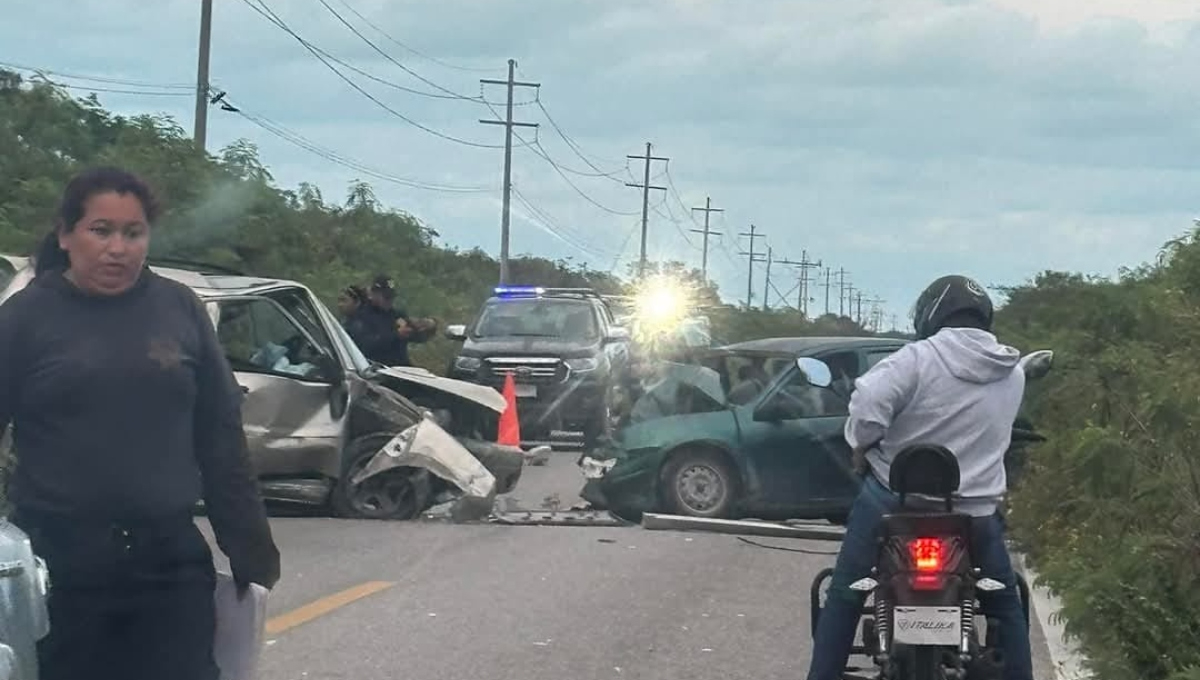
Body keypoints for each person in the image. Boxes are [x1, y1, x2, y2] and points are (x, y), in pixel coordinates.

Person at [0, 166, 281, 680]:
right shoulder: (24, 318)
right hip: (61, 565)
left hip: (169, 562)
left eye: (133, 233)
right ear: (65, 235)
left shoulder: (178, 309)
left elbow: (219, 436)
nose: (118, 248)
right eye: (100, 230)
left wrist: (250, 548)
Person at [805, 275, 1031, 680]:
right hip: (974, 513)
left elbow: (869, 405)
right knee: (1005, 606)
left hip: (892, 503)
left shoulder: (915, 359)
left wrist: (861, 443)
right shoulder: (1011, 373)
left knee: (845, 594)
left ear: (932, 313)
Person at [356, 274, 435, 367]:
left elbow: (417, 336)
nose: (390, 301)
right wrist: (396, 335)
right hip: (377, 368)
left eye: (391, 297)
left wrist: (427, 327)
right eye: (386, 297)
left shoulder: (397, 315)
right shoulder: (362, 315)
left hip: (401, 368)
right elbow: (366, 345)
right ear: (374, 294)